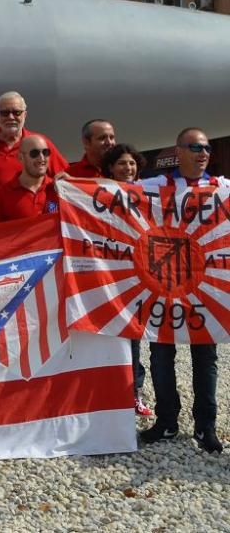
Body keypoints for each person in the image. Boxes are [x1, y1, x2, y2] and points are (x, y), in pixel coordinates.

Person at [139, 128, 228, 454]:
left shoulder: (221, 189)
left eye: (206, 147)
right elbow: (109, 196)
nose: (203, 152)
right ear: (179, 151)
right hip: (165, 283)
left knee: (205, 358)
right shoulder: (155, 187)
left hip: (206, 289)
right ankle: (166, 421)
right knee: (162, 355)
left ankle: (205, 426)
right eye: (195, 147)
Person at [100, 143, 153, 418]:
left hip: (138, 277)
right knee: (107, 336)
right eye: (121, 163)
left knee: (133, 337)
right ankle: (108, 391)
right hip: (107, 275)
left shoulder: (147, 194)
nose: (127, 168)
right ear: (110, 167)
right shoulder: (97, 194)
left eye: (131, 163)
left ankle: (135, 394)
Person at [0, 92, 68, 190]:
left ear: (25, 115)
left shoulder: (40, 143)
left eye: (16, 112)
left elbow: (65, 176)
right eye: (5, 113)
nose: (10, 117)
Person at [0, 135, 61, 223]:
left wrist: (73, 183)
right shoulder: (1, 195)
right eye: (34, 153)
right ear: (21, 158)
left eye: (45, 152)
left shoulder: (59, 190)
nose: (41, 158)